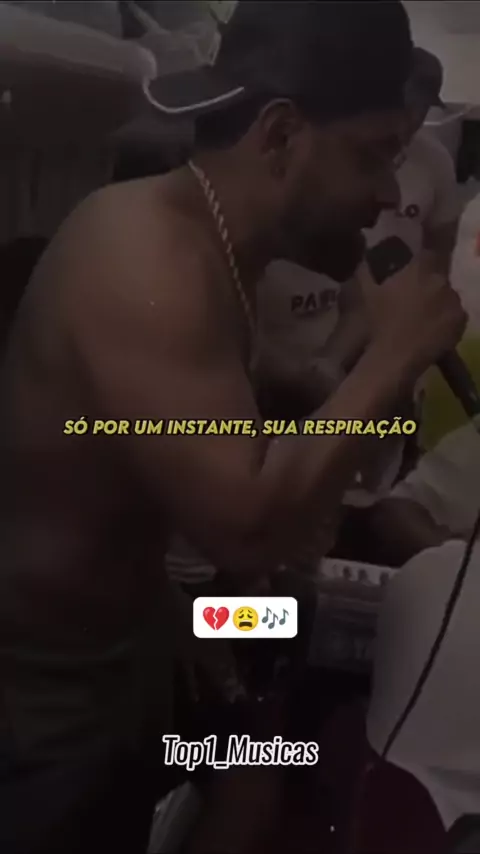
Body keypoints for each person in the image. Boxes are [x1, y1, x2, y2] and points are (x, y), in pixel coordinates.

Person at [0, 3, 466, 853]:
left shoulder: (215, 249)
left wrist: (172, 617)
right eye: (373, 155)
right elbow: (249, 530)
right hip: (54, 708)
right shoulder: (146, 253)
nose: (390, 195)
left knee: (263, 758)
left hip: (151, 637)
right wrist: (392, 356)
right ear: (282, 135)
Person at [256, 47, 461, 499]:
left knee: (359, 487)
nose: (387, 197)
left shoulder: (432, 166)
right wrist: (297, 374)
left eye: (423, 108)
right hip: (281, 379)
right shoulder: (294, 197)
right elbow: (247, 516)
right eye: (408, 103)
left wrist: (352, 365)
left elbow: (424, 261)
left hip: (357, 354)